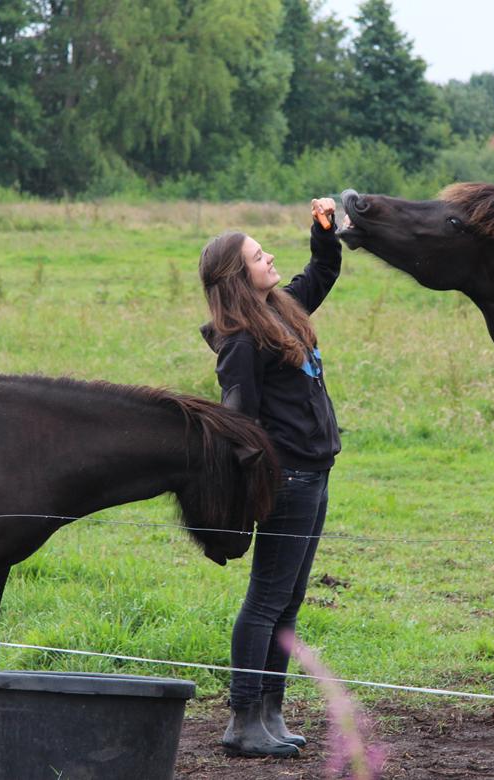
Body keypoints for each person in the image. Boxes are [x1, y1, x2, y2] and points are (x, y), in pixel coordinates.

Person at [198, 198, 343, 759]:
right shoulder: (240, 340)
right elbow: (238, 424)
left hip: (317, 473)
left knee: (289, 600)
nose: (269, 257)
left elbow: (323, 272)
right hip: (289, 481)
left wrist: (322, 231)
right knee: (266, 600)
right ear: (239, 276)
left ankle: (271, 713)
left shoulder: (281, 306)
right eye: (260, 256)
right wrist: (256, 487)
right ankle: (242, 719)